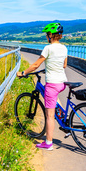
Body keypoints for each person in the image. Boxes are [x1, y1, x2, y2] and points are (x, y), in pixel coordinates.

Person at [16, 22, 68, 150]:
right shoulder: (64, 48)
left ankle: (48, 143)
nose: (46, 36)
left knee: (49, 115)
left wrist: (23, 73)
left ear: (51, 35)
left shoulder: (48, 48)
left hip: (53, 84)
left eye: (47, 34)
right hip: (62, 83)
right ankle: (64, 120)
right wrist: (51, 67)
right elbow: (64, 65)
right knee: (54, 102)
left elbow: (35, 65)